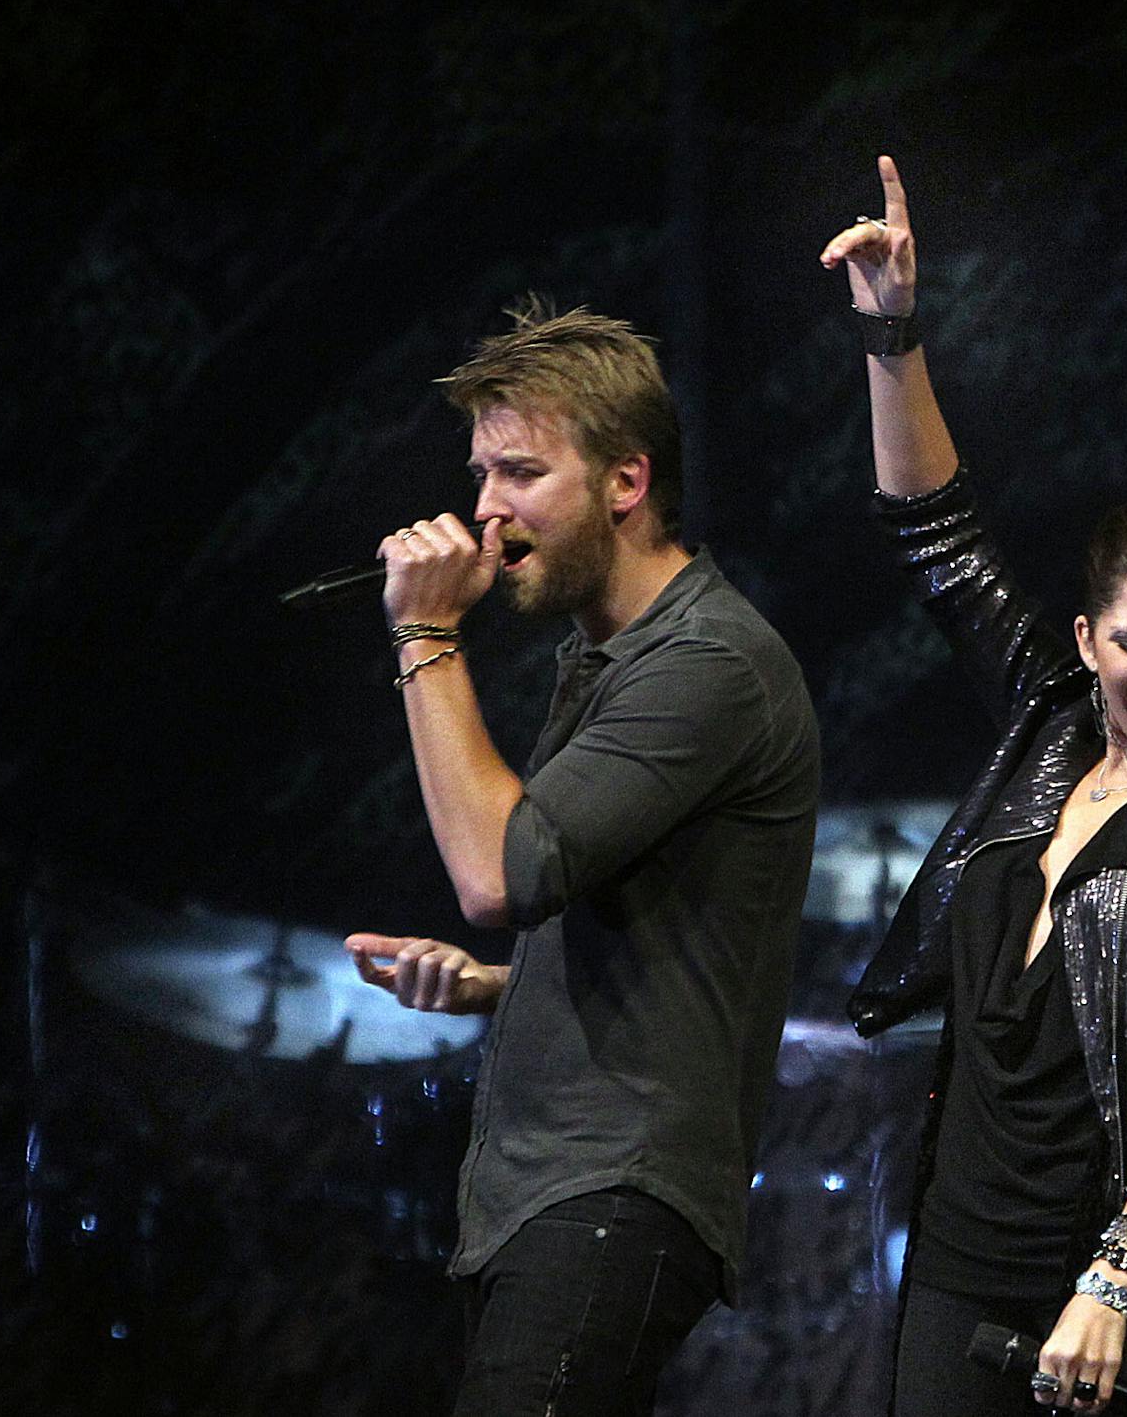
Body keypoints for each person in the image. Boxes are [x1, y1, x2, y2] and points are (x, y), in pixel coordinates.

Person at [819, 156, 1127, 1417]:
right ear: (1088, 637)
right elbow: (936, 529)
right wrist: (892, 332)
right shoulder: (1046, 728)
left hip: (1122, 1278)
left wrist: (1118, 1273)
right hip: (959, 1258)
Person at [341, 301, 821, 1417]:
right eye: (482, 475)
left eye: (521, 473)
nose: (486, 512)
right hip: (555, 1192)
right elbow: (667, 938)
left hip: (611, 1189)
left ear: (626, 482)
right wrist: (505, 987)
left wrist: (425, 635)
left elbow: (496, 876)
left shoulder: (705, 664)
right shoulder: (612, 658)